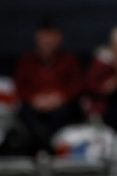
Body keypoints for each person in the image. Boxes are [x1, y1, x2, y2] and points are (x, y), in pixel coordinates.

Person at [14, 21, 84, 153]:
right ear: (37, 38)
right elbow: (20, 87)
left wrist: (60, 98)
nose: (47, 41)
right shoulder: (26, 61)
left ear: (59, 38)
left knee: (66, 113)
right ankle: (39, 150)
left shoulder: (69, 60)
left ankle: (53, 150)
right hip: (35, 105)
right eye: (44, 37)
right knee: (25, 114)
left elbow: (77, 85)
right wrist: (34, 99)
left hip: (61, 105)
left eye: (51, 37)